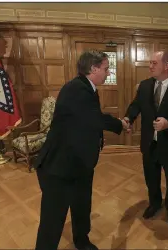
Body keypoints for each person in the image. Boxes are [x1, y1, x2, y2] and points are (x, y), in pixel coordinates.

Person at [33, 50, 129, 250]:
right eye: (105, 68)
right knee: (52, 220)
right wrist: (119, 124)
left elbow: (87, 121)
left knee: (81, 206)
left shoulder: (88, 87)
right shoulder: (76, 89)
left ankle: (81, 240)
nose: (108, 72)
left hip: (80, 163)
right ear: (93, 69)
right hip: (59, 166)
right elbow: (94, 118)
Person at [123, 50, 168, 228]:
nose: (150, 66)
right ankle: (154, 204)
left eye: (154, 63)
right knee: (151, 177)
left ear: (166, 65)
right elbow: (135, 105)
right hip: (149, 142)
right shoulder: (145, 85)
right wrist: (127, 119)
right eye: (150, 63)